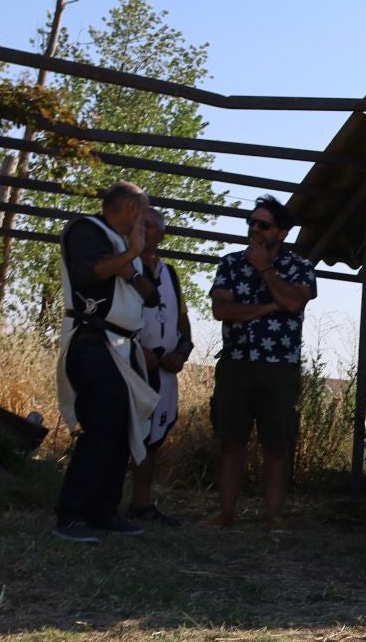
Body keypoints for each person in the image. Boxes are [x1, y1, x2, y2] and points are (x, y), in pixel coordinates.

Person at [51, 181, 162, 543]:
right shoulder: (86, 230)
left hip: (122, 347)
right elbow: (89, 272)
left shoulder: (124, 250)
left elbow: (149, 295)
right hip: (93, 340)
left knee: (121, 429)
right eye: (143, 214)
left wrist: (128, 267)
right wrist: (129, 255)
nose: (146, 223)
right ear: (131, 209)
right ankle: (71, 514)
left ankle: (102, 511)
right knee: (102, 425)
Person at [208, 194, 316, 530]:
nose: (254, 228)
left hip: (279, 367)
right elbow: (222, 311)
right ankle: (226, 513)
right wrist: (269, 308)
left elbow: (294, 303)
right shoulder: (229, 264)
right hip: (236, 363)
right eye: (251, 222)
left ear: (281, 232)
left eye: (263, 224)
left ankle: (273, 517)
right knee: (231, 440)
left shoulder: (299, 266)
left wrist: (265, 270)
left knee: (276, 442)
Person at [127, 206, 192, 526]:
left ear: (161, 234)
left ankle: (141, 503)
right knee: (121, 434)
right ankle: (104, 500)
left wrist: (181, 351)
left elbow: (183, 322)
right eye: (138, 226)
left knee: (151, 440)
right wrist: (135, 352)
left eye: (149, 226)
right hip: (129, 366)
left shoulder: (170, 275)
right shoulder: (125, 268)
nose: (142, 231)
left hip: (163, 370)